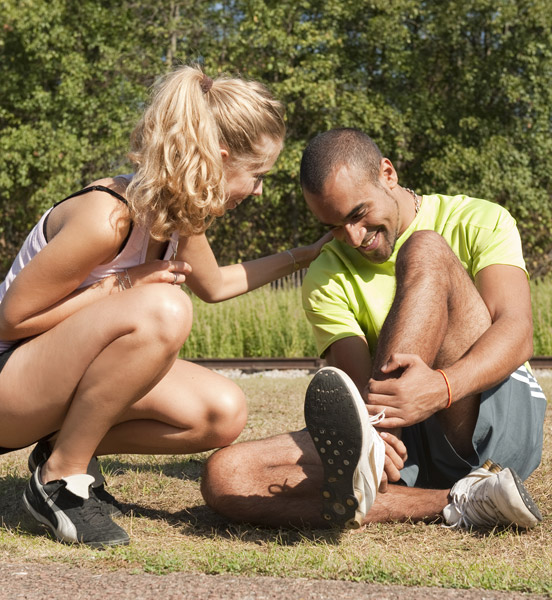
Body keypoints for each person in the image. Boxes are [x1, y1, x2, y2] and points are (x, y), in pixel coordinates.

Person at [0, 65, 331, 548]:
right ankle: (60, 480)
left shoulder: (178, 215)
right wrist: (126, 282)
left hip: (46, 372)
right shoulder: (107, 218)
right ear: (219, 158)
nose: (259, 191)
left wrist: (305, 255)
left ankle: (60, 448)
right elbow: (13, 321)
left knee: (222, 412)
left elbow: (214, 286)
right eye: (257, 175)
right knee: (165, 308)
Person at [201, 128, 547, 531]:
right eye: (332, 226)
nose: (353, 237)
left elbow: (518, 331)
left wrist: (440, 388)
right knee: (226, 476)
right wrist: (377, 437)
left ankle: (381, 457)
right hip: (398, 440)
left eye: (358, 214)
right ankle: (466, 499)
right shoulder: (326, 273)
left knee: (425, 248)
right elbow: (357, 388)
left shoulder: (478, 219)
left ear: (388, 174)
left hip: (487, 418)